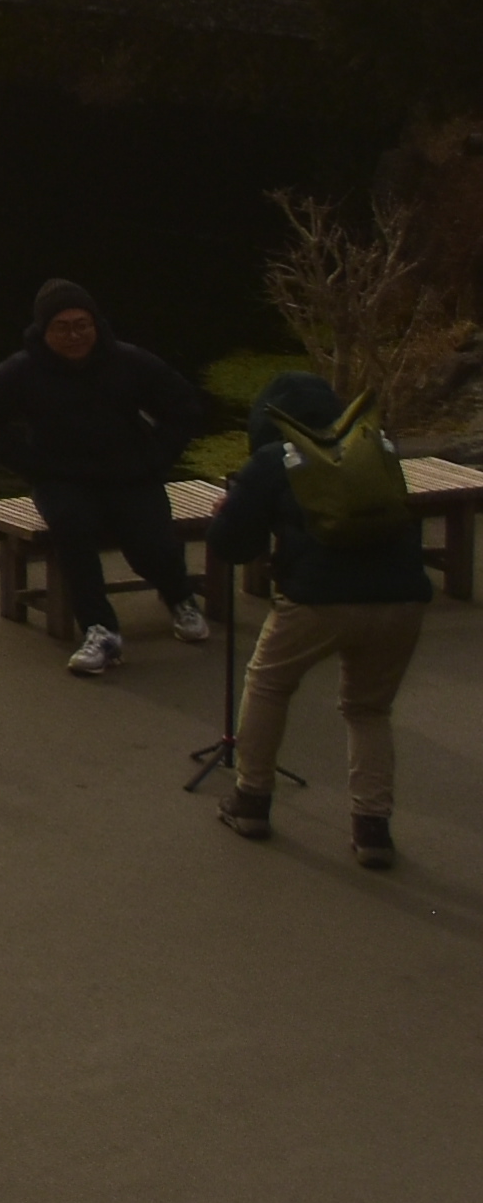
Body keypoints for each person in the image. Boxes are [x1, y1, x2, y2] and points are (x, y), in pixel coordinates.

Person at [213, 367, 429, 866]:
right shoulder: (376, 447)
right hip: (401, 599)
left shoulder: (274, 458)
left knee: (269, 684)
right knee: (369, 710)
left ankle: (251, 800)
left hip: (318, 600)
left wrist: (230, 510)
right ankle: (372, 830)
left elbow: (232, 546)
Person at [0, 281, 208, 679]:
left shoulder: (129, 361)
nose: (74, 336)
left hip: (129, 472)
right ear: (44, 330)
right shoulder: (21, 371)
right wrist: (31, 464)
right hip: (63, 478)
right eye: (62, 327)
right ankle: (101, 630)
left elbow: (184, 408)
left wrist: (155, 458)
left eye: (82, 325)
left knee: (152, 542)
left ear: (96, 325)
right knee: (71, 528)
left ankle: (180, 598)